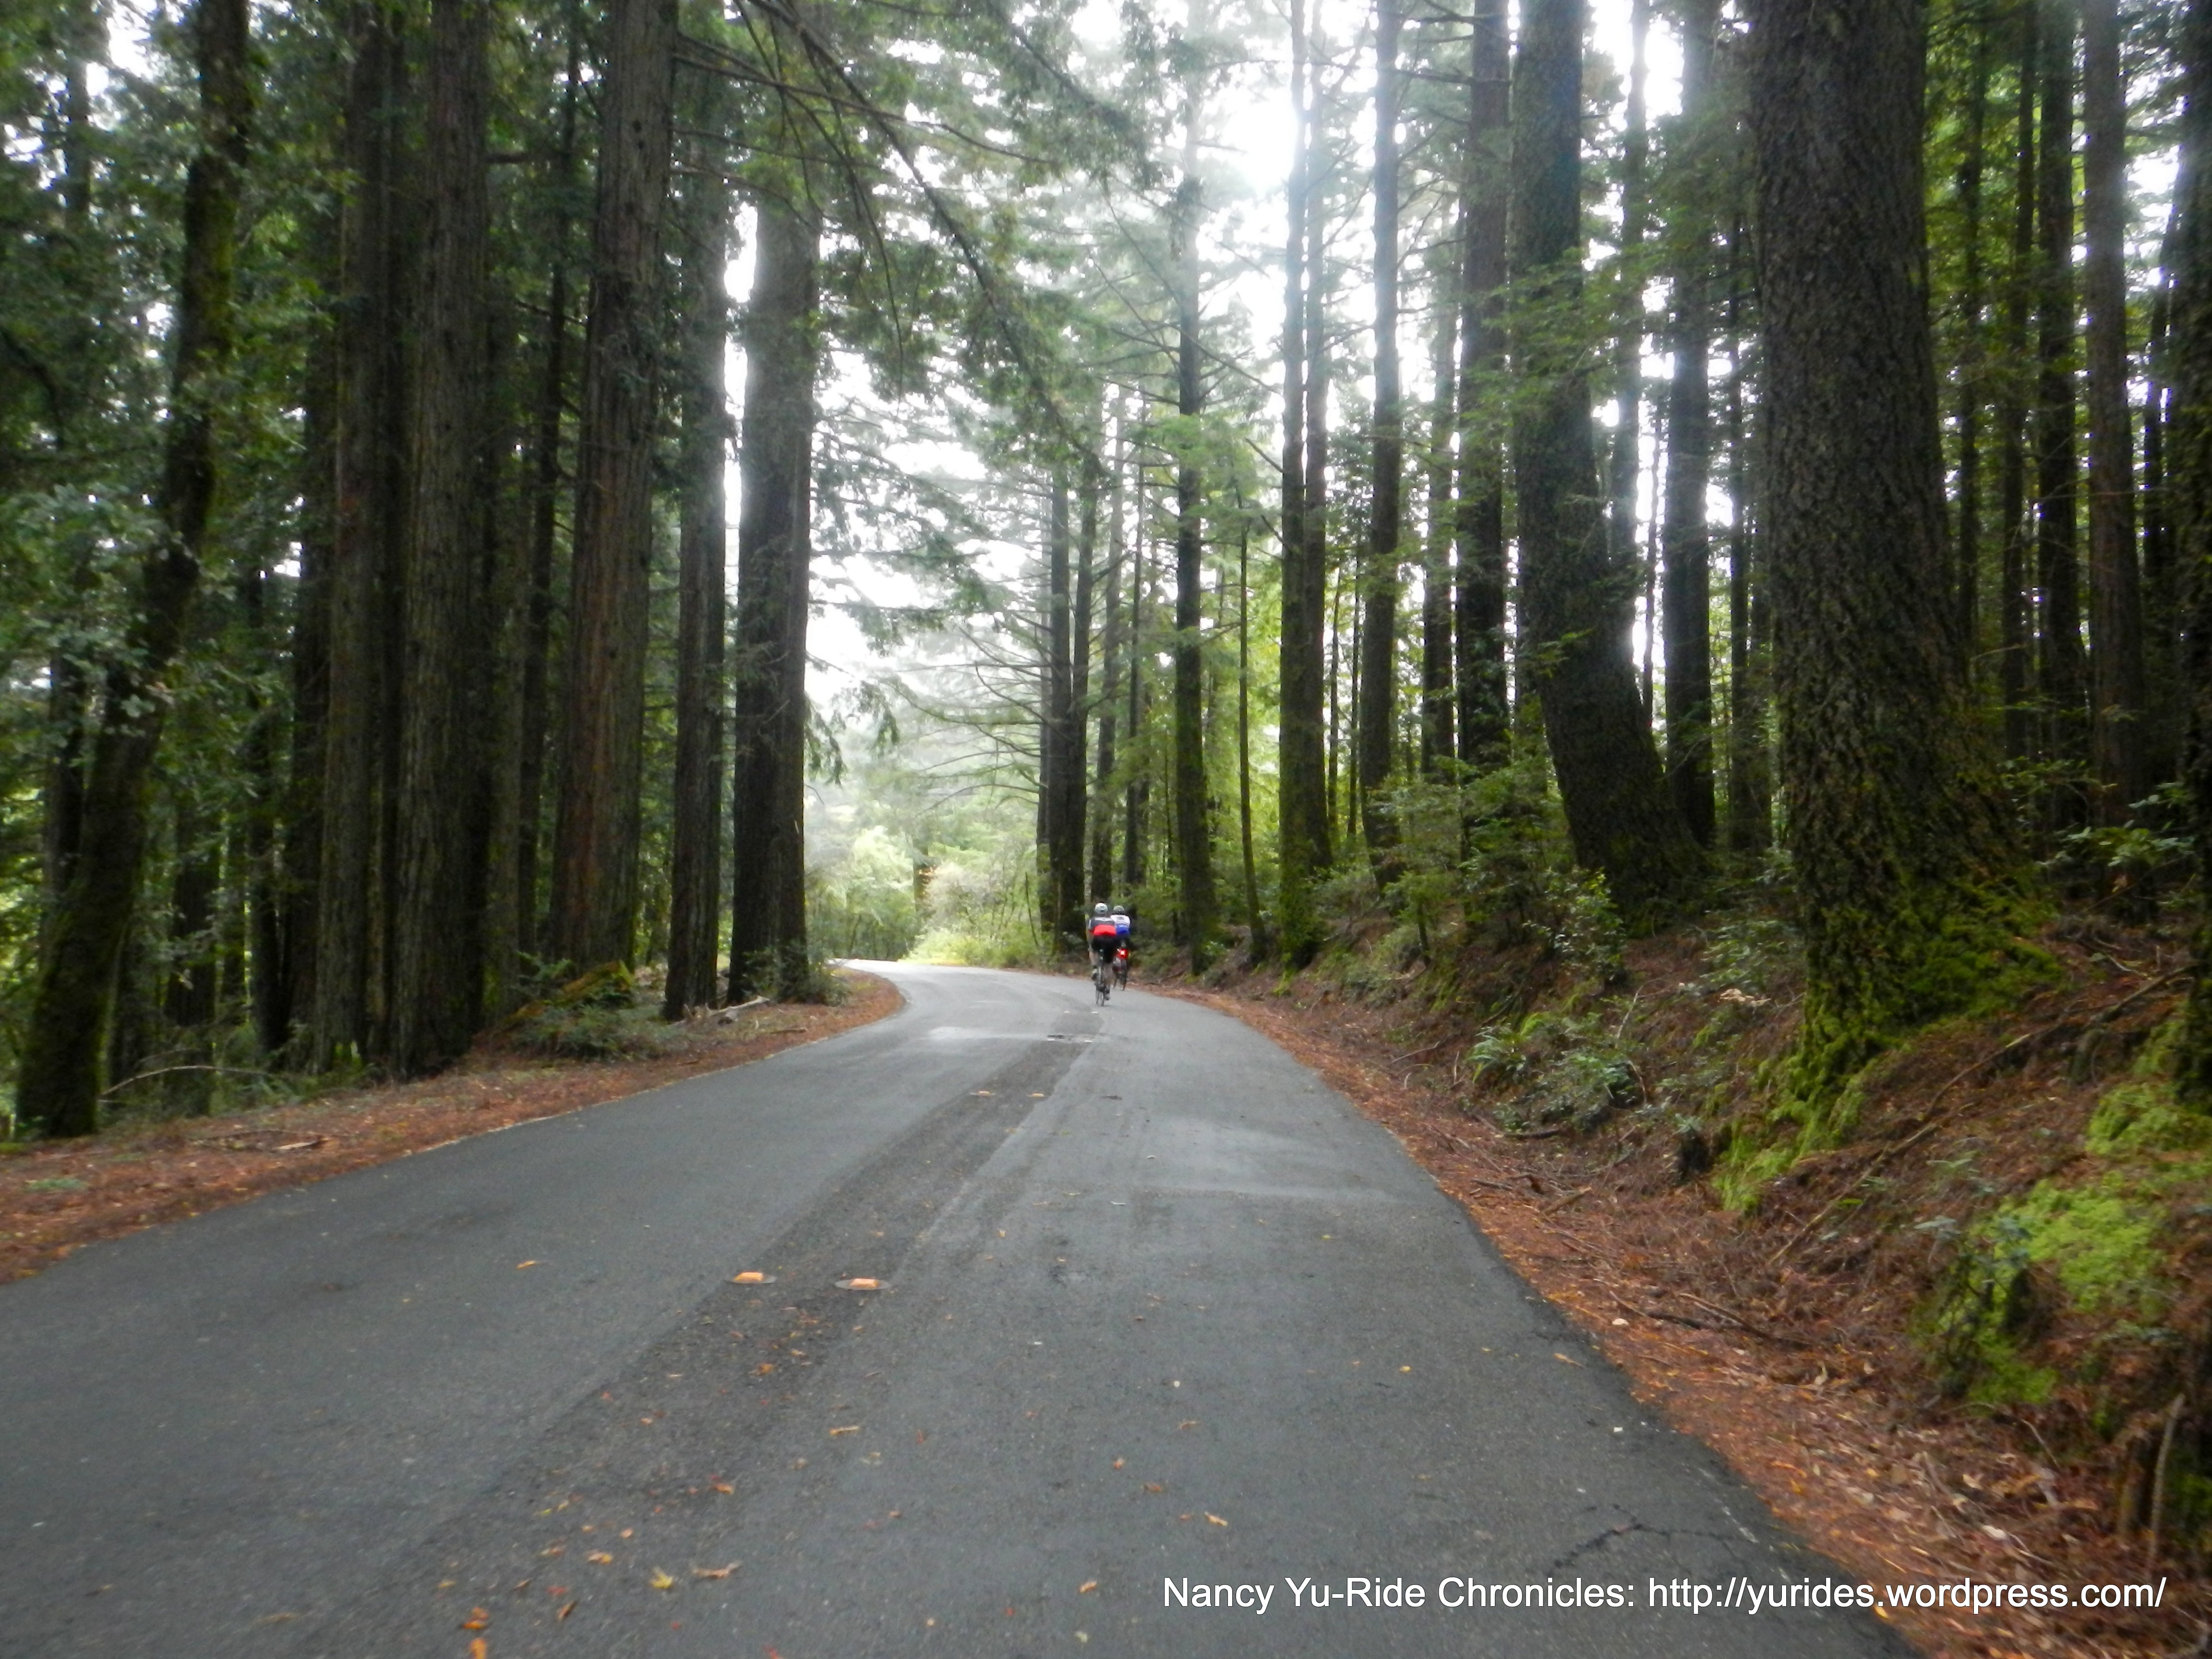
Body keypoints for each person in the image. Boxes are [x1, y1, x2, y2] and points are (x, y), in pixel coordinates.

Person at [1086, 903, 1119, 980]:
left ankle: (1095, 969)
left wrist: (1091, 942)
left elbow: (1091, 932)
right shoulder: (1112, 920)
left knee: (1092, 950)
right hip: (1112, 939)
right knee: (1109, 966)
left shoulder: (1093, 920)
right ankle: (1108, 988)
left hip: (1099, 938)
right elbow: (1115, 931)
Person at [1110, 904, 1131, 986]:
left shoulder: (1112, 917)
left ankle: (1114, 960)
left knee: (1113, 948)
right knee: (1127, 950)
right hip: (1126, 935)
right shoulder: (1127, 918)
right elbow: (1128, 927)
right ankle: (1126, 965)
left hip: (1116, 935)